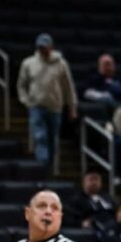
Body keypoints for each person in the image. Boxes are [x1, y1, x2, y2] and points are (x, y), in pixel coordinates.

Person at [17, 33, 77, 166]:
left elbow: (68, 86)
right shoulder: (28, 63)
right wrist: (26, 101)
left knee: (53, 140)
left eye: (45, 47)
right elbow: (21, 85)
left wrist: (72, 107)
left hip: (55, 107)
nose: (42, 50)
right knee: (40, 136)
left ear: (51, 47)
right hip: (36, 106)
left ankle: (49, 166)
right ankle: (42, 165)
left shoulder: (61, 64)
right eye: (40, 47)